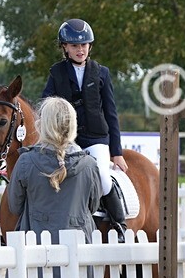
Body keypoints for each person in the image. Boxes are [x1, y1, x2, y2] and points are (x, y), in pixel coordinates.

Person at [7, 97, 100, 278]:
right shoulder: (89, 165)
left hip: (36, 248)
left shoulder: (26, 163)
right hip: (75, 252)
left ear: (41, 125)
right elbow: (91, 207)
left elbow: (14, 205)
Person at [41, 19, 128, 231]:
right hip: (67, 140)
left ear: (89, 46)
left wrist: (116, 152)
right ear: (65, 48)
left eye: (83, 45)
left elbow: (111, 114)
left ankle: (119, 224)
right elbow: (45, 107)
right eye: (74, 46)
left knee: (104, 180)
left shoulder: (102, 73)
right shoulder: (56, 73)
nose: (80, 50)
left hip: (96, 138)